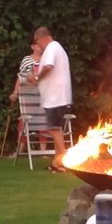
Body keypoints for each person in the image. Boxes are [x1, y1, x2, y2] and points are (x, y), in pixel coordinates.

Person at [32, 27, 72, 169]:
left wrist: (37, 77)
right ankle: (57, 162)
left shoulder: (51, 47)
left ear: (42, 37)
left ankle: (65, 160)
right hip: (57, 96)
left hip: (55, 96)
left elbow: (48, 66)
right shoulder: (56, 48)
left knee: (53, 129)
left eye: (36, 40)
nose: (37, 44)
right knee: (57, 129)